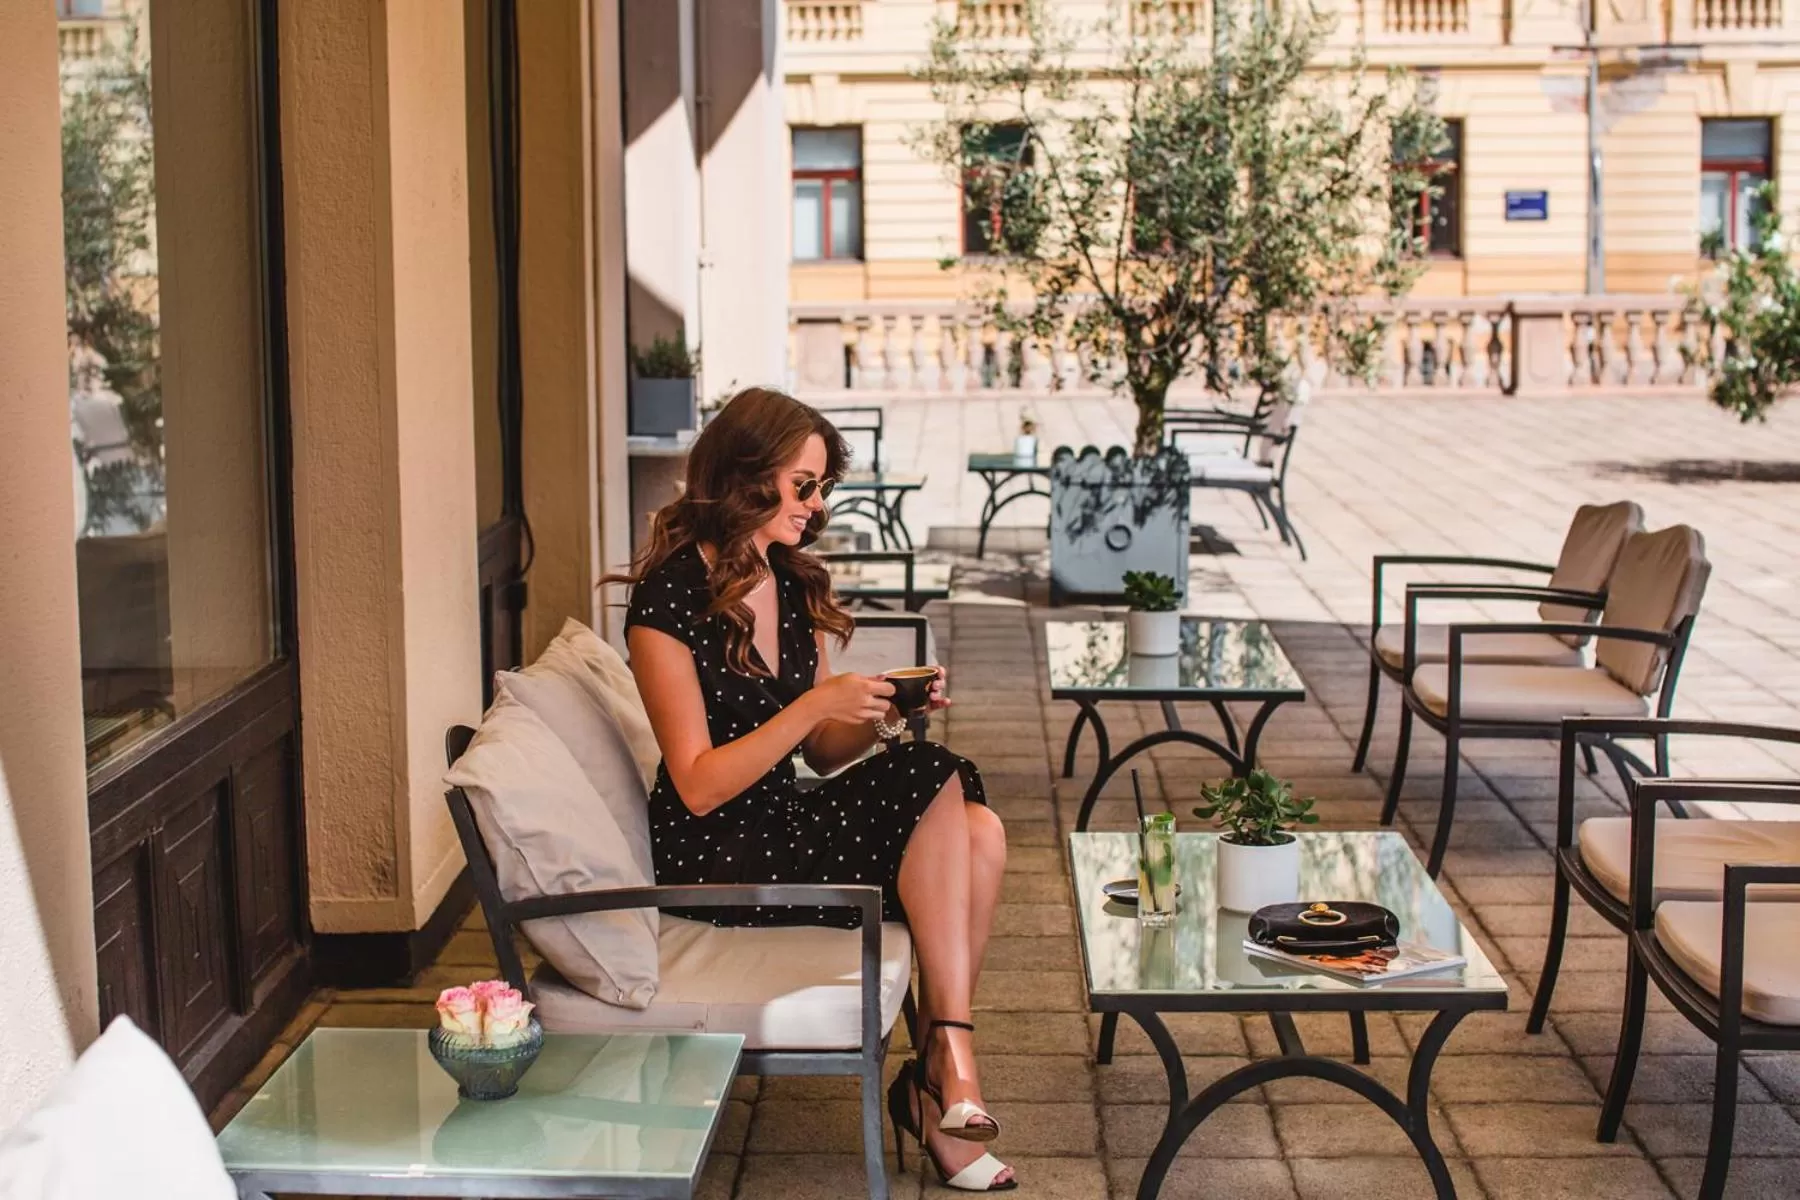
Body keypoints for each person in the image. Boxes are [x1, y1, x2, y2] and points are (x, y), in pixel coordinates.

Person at [609, 387, 1015, 1192]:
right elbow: (694, 785)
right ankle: (946, 1065)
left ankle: (941, 1066)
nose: (817, 504)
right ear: (747, 477)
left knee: (981, 829)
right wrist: (812, 706)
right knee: (936, 787)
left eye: (823, 486)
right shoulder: (666, 599)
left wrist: (876, 713)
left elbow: (824, 753)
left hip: (779, 816)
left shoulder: (786, 580)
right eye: (804, 484)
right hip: (711, 851)